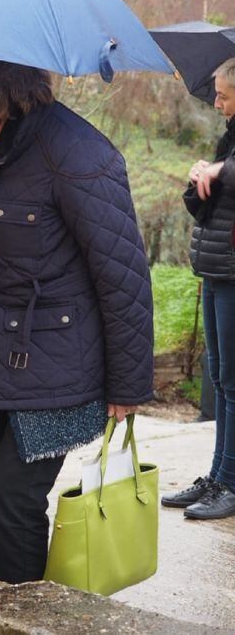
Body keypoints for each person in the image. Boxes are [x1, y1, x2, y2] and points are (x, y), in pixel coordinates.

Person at [0, 52, 153, 583]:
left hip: (59, 365)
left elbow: (123, 276)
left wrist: (128, 385)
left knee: (16, 501)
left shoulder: (78, 153)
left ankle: (17, 618)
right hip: (5, 359)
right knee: (2, 494)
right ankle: (13, 609)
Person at [165, 57, 235, 520]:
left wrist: (222, 171)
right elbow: (206, 207)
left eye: (224, 93)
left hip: (232, 272)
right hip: (215, 267)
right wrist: (202, 173)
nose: (216, 100)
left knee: (233, 382)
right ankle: (215, 475)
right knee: (218, 378)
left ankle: (229, 483)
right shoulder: (230, 134)